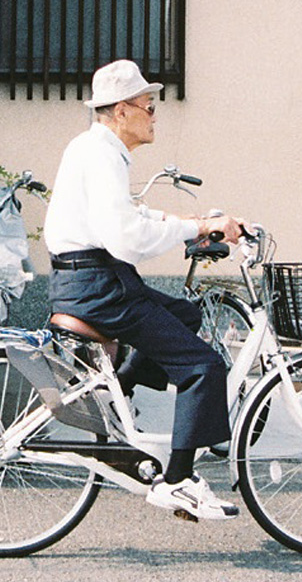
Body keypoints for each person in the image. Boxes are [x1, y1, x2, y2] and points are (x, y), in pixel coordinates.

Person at [44, 58, 248, 522]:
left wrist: (195, 228)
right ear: (120, 111)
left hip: (92, 279)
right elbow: (126, 238)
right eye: (147, 106)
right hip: (101, 285)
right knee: (203, 366)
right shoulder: (102, 155)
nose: (154, 115)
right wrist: (194, 225)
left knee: (185, 316)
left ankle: (122, 390)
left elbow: (130, 219)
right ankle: (178, 482)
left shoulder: (95, 149)